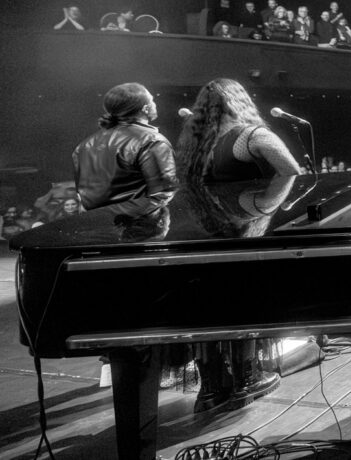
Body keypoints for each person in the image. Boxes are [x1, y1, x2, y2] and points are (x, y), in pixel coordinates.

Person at [176, 78, 302, 414]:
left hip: (205, 236)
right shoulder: (251, 135)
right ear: (239, 101)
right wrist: (264, 206)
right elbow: (290, 170)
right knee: (245, 302)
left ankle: (210, 389)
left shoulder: (192, 139)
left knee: (208, 310)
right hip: (243, 232)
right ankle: (247, 380)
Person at [73, 83, 178, 224]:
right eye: (152, 100)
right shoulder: (152, 141)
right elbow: (162, 193)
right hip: (134, 230)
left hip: (94, 227)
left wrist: (101, 220)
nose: (154, 103)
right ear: (146, 108)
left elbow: (85, 197)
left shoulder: (84, 145)